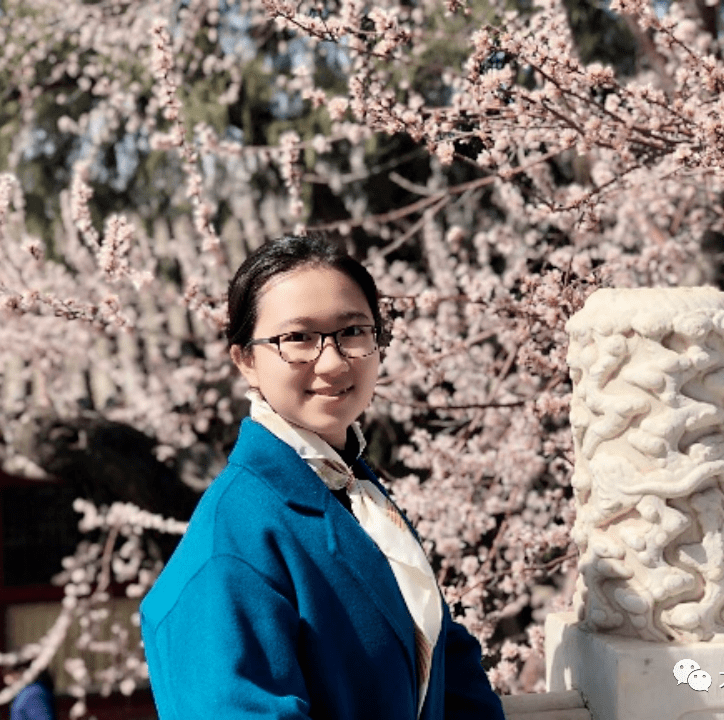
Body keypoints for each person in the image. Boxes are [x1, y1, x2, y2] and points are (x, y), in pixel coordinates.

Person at [140, 234, 506, 720]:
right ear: (245, 360)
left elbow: (446, 663)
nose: (332, 362)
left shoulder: (358, 496)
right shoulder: (234, 534)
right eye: (298, 338)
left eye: (353, 331)